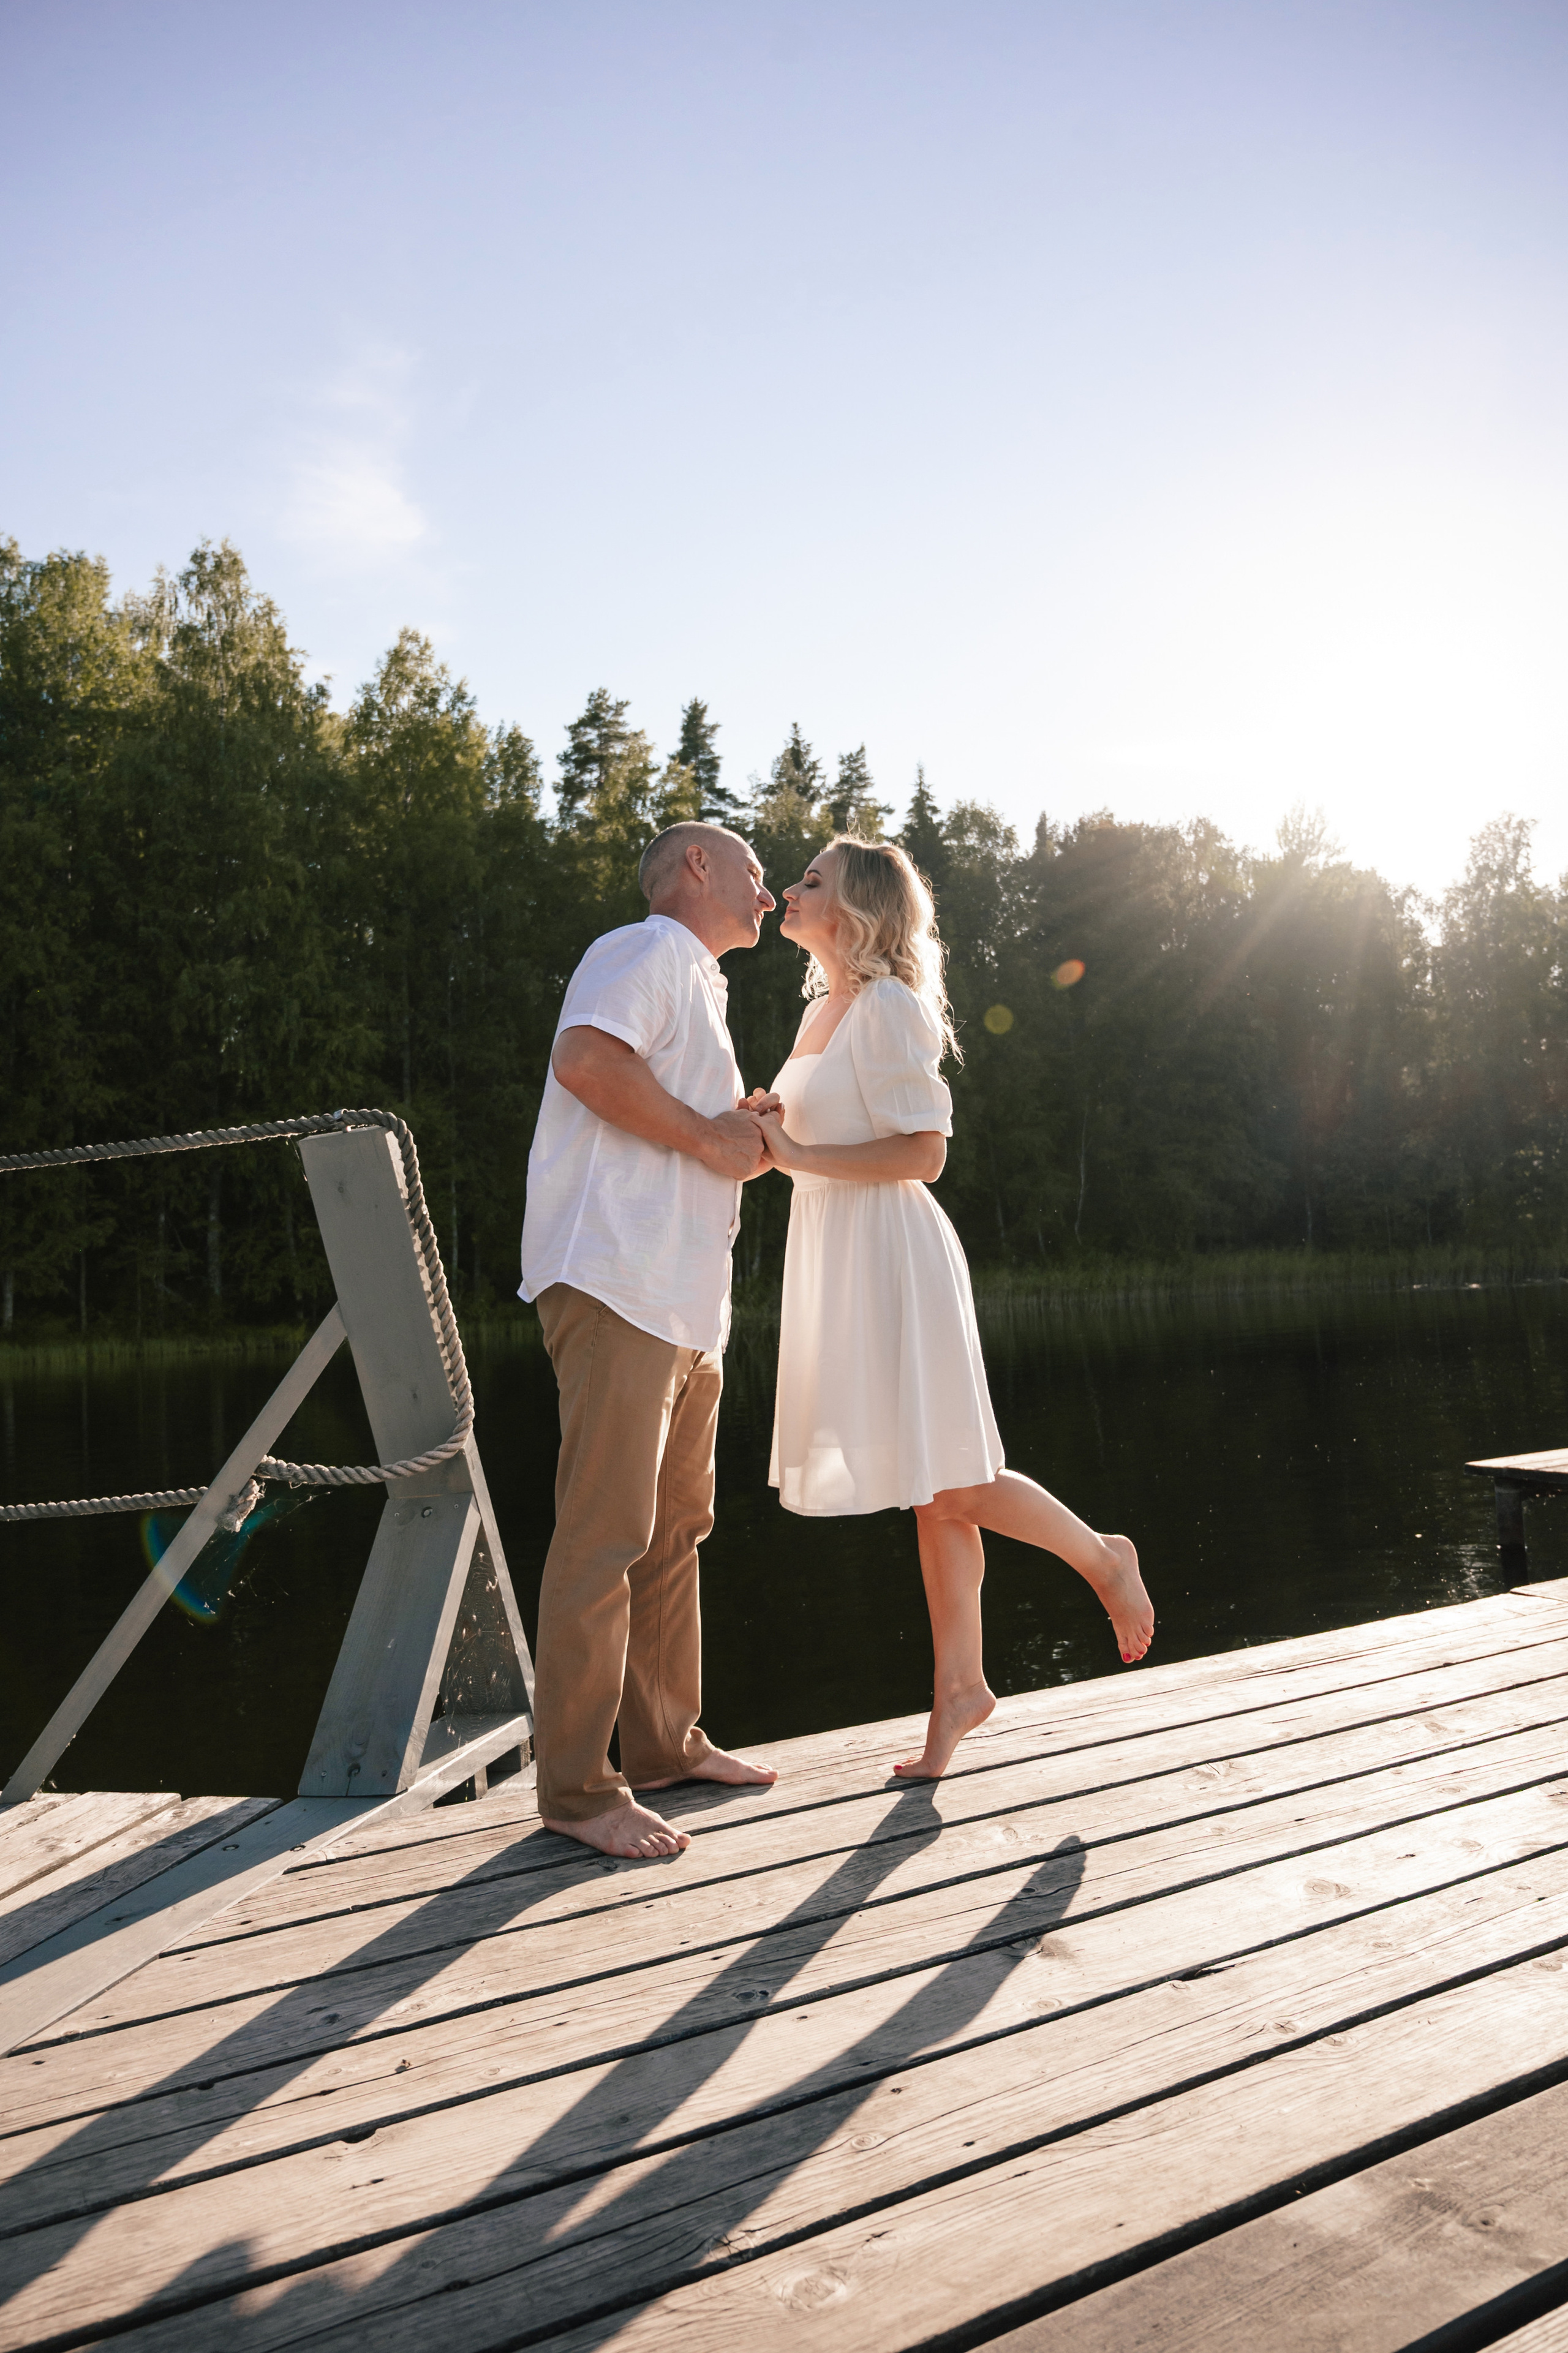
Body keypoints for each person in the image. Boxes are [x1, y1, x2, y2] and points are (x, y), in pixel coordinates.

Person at [754, 837, 1154, 1780]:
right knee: (931, 1493)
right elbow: (830, 1124)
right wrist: (773, 1118)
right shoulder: (822, 1008)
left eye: (811, 879)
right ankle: (958, 1697)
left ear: (855, 908)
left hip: (896, 1255)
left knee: (954, 1482)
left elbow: (924, 1152)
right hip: (850, 1257)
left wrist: (798, 1155)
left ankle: (1104, 1557)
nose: (790, 888)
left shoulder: (889, 1004)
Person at [519, 821, 781, 1859]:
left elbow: (688, 1131)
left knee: (675, 1531)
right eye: (759, 875)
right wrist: (717, 1134)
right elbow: (585, 1061)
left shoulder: (700, 987)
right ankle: (578, 1790)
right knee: (606, 1535)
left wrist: (740, 1128)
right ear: (699, 867)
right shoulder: (646, 948)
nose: (769, 897)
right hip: (618, 1285)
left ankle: (667, 1745)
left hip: (682, 1304)